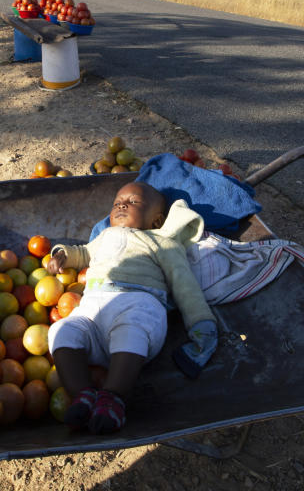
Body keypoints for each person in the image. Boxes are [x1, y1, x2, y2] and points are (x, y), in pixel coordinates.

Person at [46, 181, 218, 434]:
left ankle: (113, 398)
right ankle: (83, 395)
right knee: (61, 331)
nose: (122, 204)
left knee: (132, 329)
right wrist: (62, 254)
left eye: (133, 202)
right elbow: (83, 253)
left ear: (156, 221)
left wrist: (201, 321)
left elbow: (184, 282)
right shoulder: (105, 236)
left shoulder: (162, 242)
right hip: (92, 309)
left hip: (139, 303)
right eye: (117, 202)